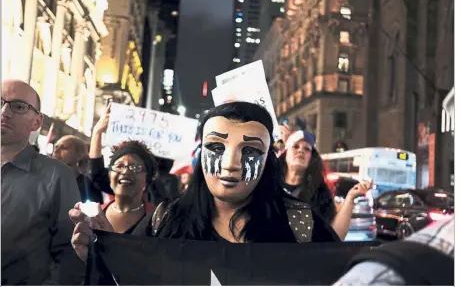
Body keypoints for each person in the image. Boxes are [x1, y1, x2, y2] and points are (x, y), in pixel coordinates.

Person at [70, 102, 340, 264]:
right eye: (216, 147)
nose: (230, 163)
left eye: (249, 151)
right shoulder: (166, 218)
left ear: (268, 160)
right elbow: (129, 276)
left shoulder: (300, 222)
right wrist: (104, 252)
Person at [1, 79, 84, 284]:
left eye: (18, 106)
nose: (4, 112)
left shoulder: (57, 177)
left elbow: (70, 254)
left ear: (37, 122)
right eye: (0, 102)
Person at [278, 128, 372, 240]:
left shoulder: (320, 194)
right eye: (295, 146)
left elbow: (334, 236)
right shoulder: (268, 185)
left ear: (312, 158)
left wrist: (350, 198)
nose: (300, 151)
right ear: (285, 153)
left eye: (307, 149)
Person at [95, 140, 157, 234]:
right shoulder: (94, 215)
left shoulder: (157, 221)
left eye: (135, 168)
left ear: (147, 179)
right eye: (119, 166)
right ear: (109, 175)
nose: (125, 172)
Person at [53, 135, 103, 203]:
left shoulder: (88, 186)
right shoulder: (44, 178)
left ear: (79, 156)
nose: (56, 150)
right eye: (56, 146)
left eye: (64, 147)